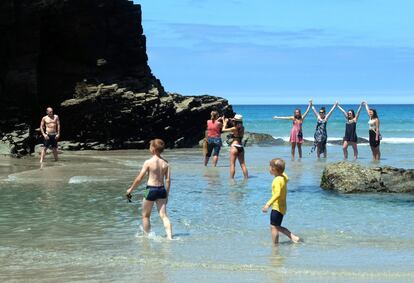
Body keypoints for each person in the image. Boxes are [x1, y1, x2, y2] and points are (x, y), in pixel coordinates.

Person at [126, 139, 173, 240]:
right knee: (164, 215)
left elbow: (139, 178)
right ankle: (170, 237)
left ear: (153, 149)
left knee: (146, 215)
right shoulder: (166, 163)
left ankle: (146, 237)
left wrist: (131, 189)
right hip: (161, 190)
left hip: (149, 189)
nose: (149, 148)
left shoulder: (148, 162)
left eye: (150, 146)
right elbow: (168, 180)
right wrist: (167, 195)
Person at [262, 158, 300, 244]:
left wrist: (268, 204)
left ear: (273, 169)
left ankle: (276, 244)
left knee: (274, 227)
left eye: (270, 167)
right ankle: (290, 239)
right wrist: (281, 170)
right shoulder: (283, 178)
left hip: (277, 207)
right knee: (276, 226)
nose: (269, 168)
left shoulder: (277, 180)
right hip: (282, 207)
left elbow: (277, 194)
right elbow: (286, 177)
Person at [222, 114, 248, 179]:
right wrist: (232, 120)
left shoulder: (234, 128)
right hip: (241, 147)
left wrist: (224, 122)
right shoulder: (242, 127)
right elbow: (236, 125)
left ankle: (231, 179)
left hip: (234, 146)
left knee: (232, 164)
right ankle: (246, 178)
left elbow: (223, 129)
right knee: (243, 164)